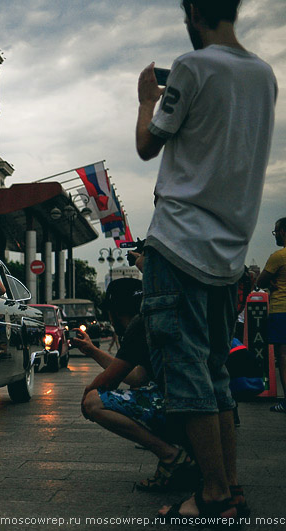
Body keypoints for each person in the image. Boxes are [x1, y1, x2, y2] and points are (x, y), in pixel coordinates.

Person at [135, 0, 276, 520]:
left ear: (192, 11)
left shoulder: (193, 67)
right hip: (228, 254)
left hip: (178, 244)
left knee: (186, 371)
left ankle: (212, 494)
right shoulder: (264, 76)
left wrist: (146, 99)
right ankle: (231, 489)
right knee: (215, 371)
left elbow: (148, 144)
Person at [76, 278, 197, 492]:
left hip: (176, 407)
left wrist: (87, 394)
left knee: (94, 403)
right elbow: (136, 376)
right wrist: (93, 351)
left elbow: (109, 381)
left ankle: (171, 457)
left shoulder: (138, 325)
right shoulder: (152, 321)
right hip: (193, 406)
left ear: (115, 311)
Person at [256, 217, 286, 413]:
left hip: (281, 309)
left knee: (283, 356)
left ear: (283, 231)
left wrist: (272, 281)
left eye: (276, 232)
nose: (275, 235)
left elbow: (260, 281)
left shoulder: (279, 256)